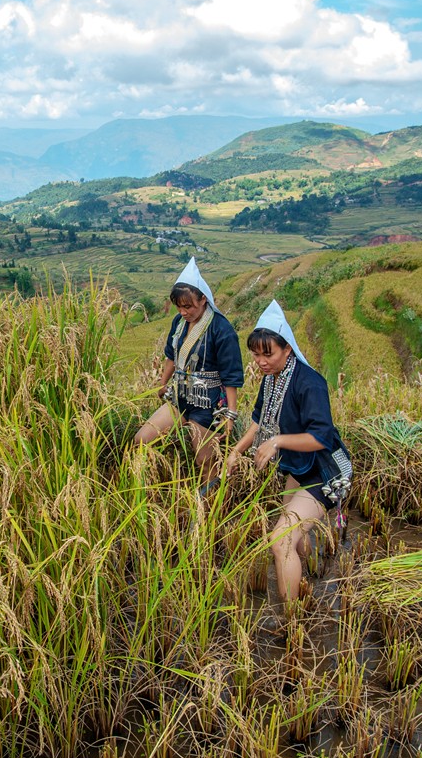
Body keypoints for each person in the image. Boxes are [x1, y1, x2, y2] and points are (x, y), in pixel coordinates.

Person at [226, 300, 352, 604]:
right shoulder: (272, 380)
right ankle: (305, 583)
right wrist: (235, 451)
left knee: (281, 539)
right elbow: (258, 421)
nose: (260, 361)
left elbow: (320, 437)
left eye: (267, 353)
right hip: (298, 467)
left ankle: (291, 619)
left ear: (288, 349)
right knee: (291, 534)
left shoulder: (310, 383)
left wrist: (278, 441)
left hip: (323, 471)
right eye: (256, 354)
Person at [134, 258, 244, 492]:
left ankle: (210, 509)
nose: (183, 312)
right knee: (142, 439)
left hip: (208, 404)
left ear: (203, 299)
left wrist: (230, 416)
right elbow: (171, 356)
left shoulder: (221, 330)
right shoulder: (179, 322)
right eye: (179, 307)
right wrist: (163, 383)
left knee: (205, 462)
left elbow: (231, 376)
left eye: (189, 307)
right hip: (179, 396)